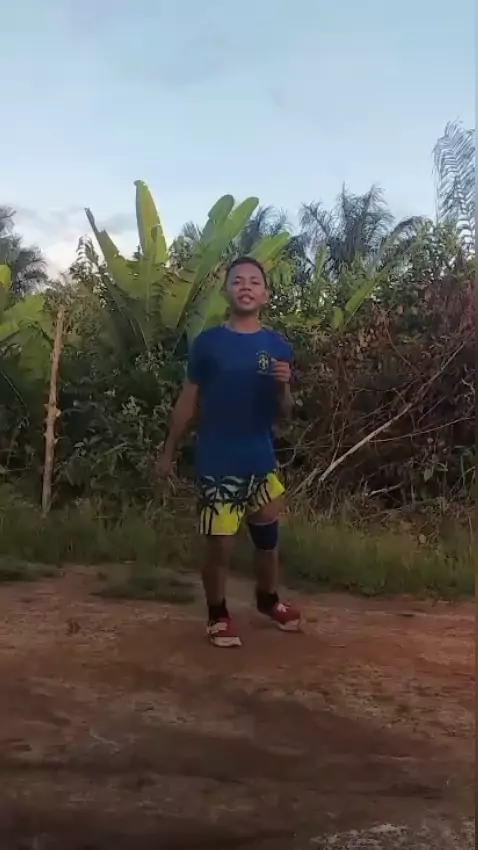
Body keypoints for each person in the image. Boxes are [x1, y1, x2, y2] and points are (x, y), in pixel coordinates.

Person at [157, 256, 301, 647]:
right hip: (217, 462)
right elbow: (187, 401)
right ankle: (217, 614)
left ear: (266, 294)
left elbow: (285, 414)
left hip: (261, 461)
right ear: (226, 292)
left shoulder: (277, 347)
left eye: (254, 281)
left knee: (268, 540)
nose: (246, 286)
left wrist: (284, 386)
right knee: (220, 546)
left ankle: (268, 600)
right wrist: (169, 450)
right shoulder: (208, 344)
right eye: (238, 280)